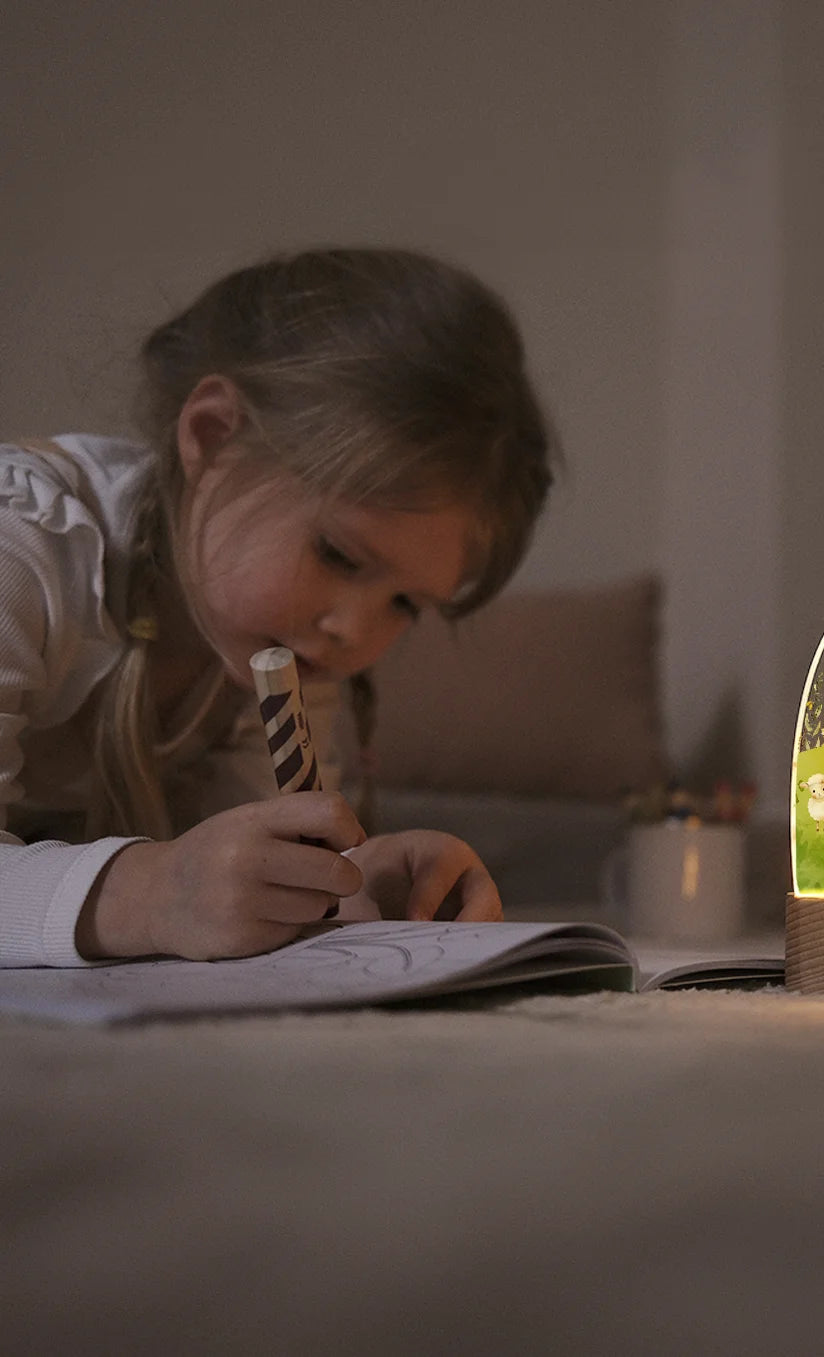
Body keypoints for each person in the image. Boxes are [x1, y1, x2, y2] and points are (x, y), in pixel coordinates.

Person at [0, 247, 553, 967]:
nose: (354, 630)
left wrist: (347, 891)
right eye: (339, 555)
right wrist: (150, 893)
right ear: (213, 435)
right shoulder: (23, 550)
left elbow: (229, 883)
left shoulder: (273, 658)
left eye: (405, 604)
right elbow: (178, 894)